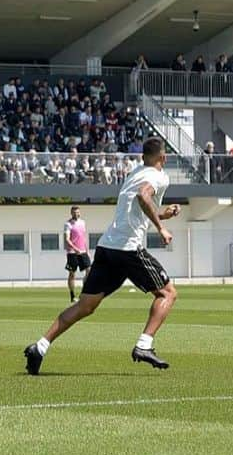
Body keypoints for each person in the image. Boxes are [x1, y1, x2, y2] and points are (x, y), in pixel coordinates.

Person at [24, 137, 181, 374]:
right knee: (168, 293)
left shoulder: (135, 172)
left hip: (107, 247)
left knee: (85, 305)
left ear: (142, 158)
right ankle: (144, 345)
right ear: (163, 158)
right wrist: (161, 228)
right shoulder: (159, 175)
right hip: (128, 249)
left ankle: (40, 346)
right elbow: (143, 196)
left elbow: (138, 204)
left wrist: (163, 216)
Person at [63, 205, 91, 302]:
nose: (76, 214)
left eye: (77, 212)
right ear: (71, 213)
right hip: (72, 253)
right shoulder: (68, 224)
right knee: (72, 274)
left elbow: (83, 238)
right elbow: (67, 239)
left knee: (89, 271)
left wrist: (87, 250)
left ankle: (83, 293)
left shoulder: (83, 223)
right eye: (74, 212)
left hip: (83, 252)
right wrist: (75, 249)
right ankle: (72, 295)